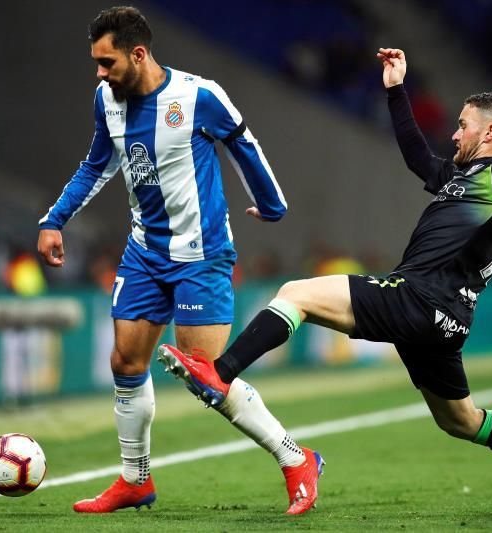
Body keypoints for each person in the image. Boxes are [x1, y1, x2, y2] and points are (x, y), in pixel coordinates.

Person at [157, 47, 492, 516]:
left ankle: (220, 373)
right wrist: (396, 90)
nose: (455, 133)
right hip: (444, 319)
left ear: (490, 131)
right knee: (461, 421)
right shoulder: (463, 177)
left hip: (420, 299)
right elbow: (418, 157)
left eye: (463, 124)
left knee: (296, 294)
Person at [37, 6, 322, 515]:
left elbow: (244, 146)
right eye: (96, 63)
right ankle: (135, 480)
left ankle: (296, 457)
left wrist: (273, 204)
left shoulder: (198, 96)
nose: (100, 73)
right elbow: (96, 163)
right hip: (144, 253)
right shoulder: (107, 98)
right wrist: (54, 219)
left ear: (138, 53)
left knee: (207, 376)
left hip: (201, 258)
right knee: (126, 360)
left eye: (107, 62)